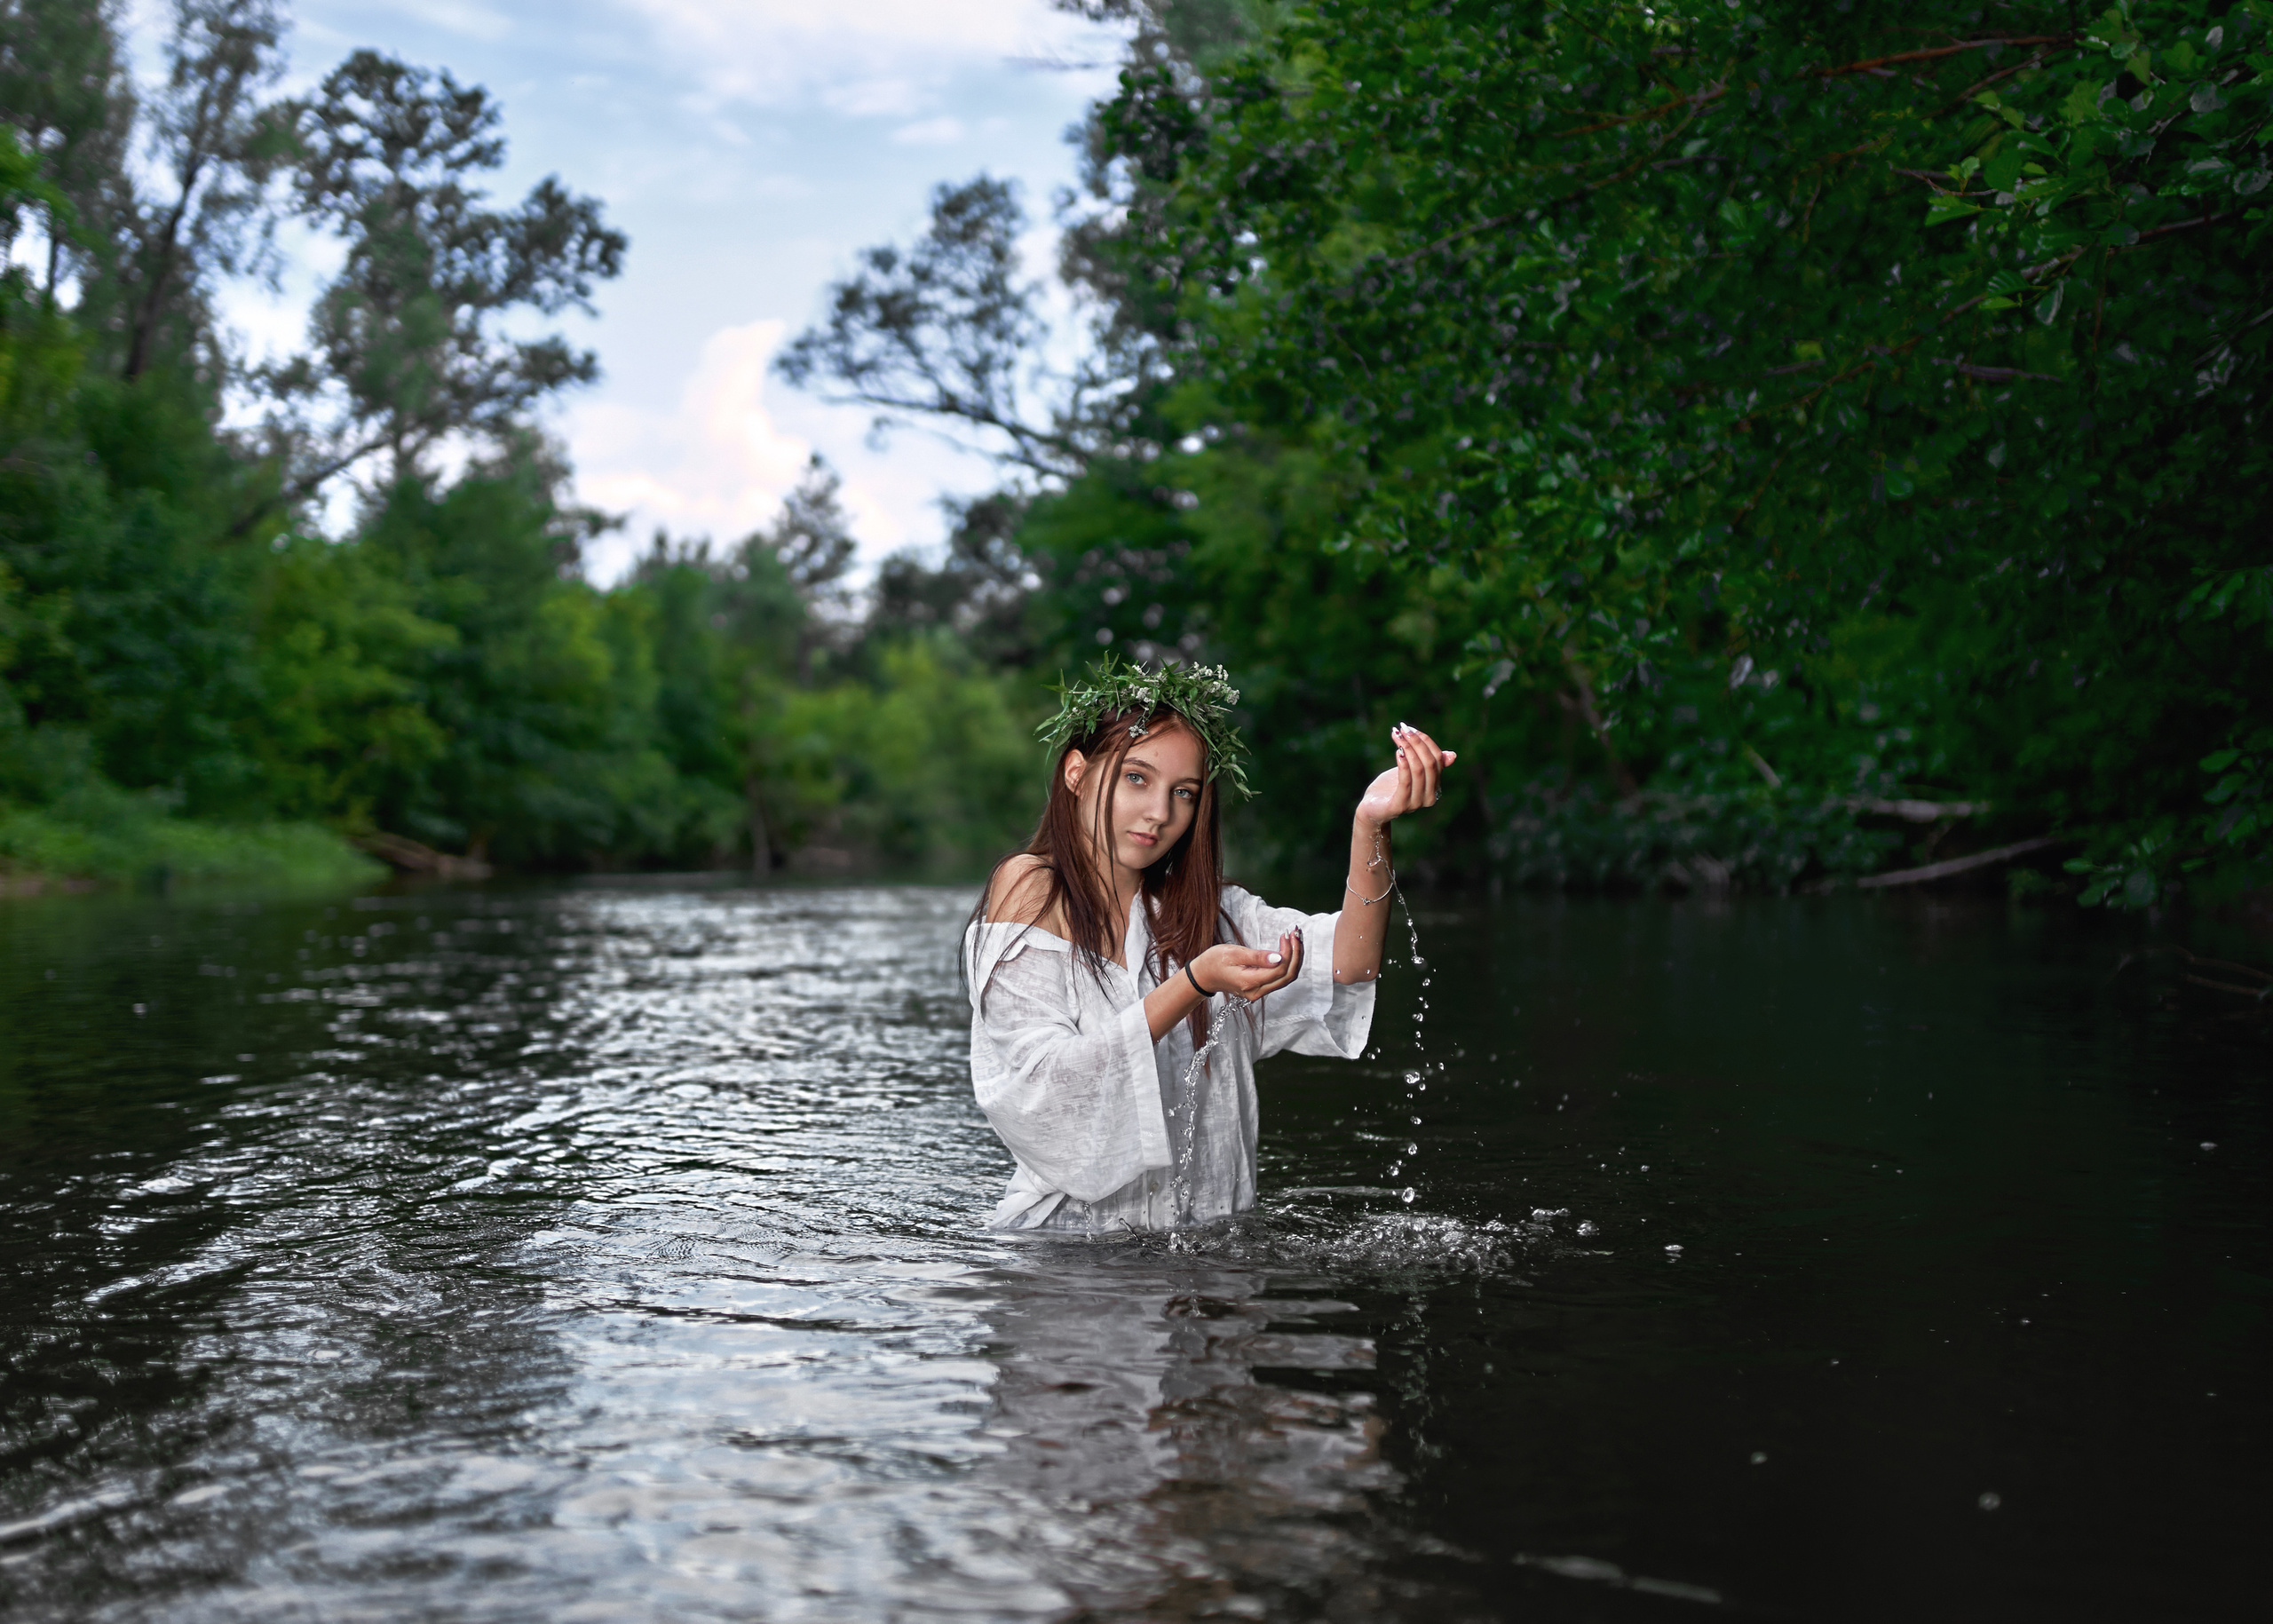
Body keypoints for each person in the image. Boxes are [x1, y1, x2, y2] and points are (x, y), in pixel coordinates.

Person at [962, 658, 1454, 1232]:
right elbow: (1048, 1084)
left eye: (1184, 792)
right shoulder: (1031, 884)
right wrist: (1193, 983)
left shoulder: (1212, 911)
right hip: (1069, 1249)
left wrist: (1370, 825)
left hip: (1210, 1243)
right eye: (1136, 778)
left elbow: (1351, 962)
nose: (1160, 813)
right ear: (1077, 773)